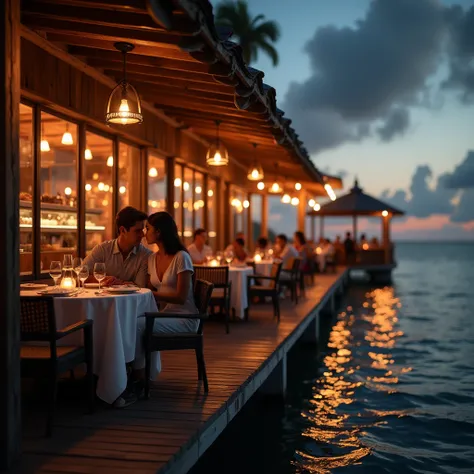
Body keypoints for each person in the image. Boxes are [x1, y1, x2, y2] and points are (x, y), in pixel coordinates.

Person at [127, 212, 198, 408]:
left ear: (158, 232)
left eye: (147, 228)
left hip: (185, 318)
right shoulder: (152, 258)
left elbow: (181, 297)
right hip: (166, 314)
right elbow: (149, 289)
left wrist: (151, 296)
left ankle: (139, 379)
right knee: (132, 323)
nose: (144, 232)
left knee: (136, 326)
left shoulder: (181, 257)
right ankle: (135, 376)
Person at [83, 206, 152, 288]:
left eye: (142, 230)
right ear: (122, 230)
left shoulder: (145, 255)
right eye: (137, 231)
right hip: (102, 299)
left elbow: (140, 287)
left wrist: (117, 282)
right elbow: (80, 275)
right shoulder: (102, 250)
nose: (142, 235)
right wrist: (104, 279)